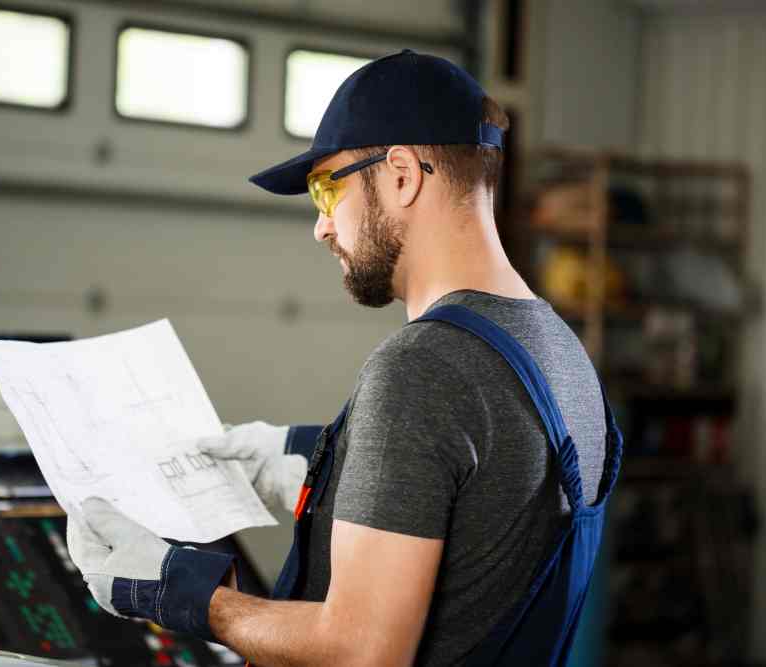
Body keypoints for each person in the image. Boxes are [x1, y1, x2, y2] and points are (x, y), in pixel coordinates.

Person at [68, 49, 622, 667]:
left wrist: (180, 592)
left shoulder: (422, 367)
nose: (322, 226)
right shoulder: (561, 353)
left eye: (327, 189)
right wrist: (309, 459)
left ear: (403, 175)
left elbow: (360, 652)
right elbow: (480, 497)